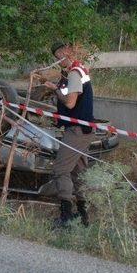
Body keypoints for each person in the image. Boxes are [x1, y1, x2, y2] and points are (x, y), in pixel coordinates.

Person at [42, 42, 94, 227]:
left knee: (60, 170)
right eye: (56, 58)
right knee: (78, 173)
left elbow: (71, 103)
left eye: (59, 56)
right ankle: (83, 217)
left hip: (77, 130)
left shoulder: (74, 73)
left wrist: (54, 90)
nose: (58, 61)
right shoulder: (80, 70)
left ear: (67, 52)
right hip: (83, 129)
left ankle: (66, 216)